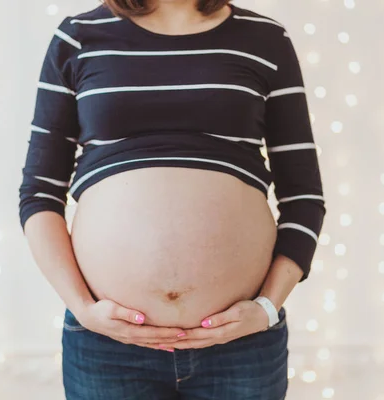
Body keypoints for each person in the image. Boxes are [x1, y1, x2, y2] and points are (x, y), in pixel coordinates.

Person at [18, 0, 326, 398]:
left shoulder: (265, 39)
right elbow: (39, 193)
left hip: (241, 345)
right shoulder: (77, 37)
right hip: (109, 346)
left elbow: (304, 195)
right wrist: (82, 309)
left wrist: (267, 307)